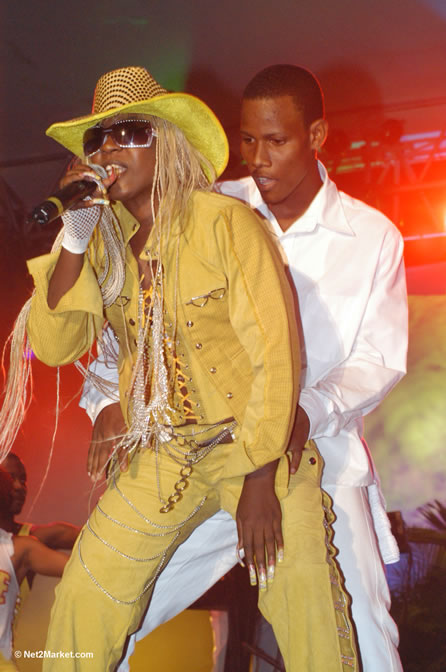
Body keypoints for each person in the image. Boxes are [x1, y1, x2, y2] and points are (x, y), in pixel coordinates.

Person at [7, 66, 357, 671]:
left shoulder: (225, 223)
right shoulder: (103, 246)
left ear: (165, 140)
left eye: (128, 133)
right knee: (87, 591)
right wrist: (75, 236)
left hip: (253, 445)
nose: (107, 151)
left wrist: (259, 478)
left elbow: (275, 355)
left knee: (304, 606)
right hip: (166, 454)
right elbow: (55, 342)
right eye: (97, 140)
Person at [83, 64, 408, 672]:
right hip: (201, 453)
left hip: (318, 457)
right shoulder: (206, 208)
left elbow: (376, 361)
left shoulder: (372, 237)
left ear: (316, 136)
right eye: (248, 140)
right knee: (108, 615)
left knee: (360, 634)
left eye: (276, 141)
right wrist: (105, 402)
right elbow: (133, 320)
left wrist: (301, 414)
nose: (257, 159)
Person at [0, 468, 68, 670]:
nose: (18, 486)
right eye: (12, 478)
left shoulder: (19, 547)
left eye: (22, 479)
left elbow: (86, 571)